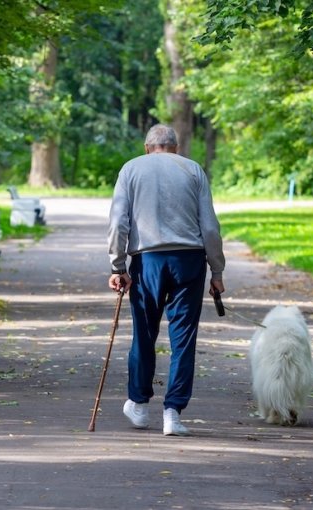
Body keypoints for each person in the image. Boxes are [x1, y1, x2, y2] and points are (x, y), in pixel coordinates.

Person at [107, 123, 226, 436]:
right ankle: (173, 414)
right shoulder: (193, 170)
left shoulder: (131, 169)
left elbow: (118, 222)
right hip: (189, 261)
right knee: (183, 340)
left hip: (148, 262)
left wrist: (118, 267)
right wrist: (217, 271)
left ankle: (139, 405)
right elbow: (210, 227)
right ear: (176, 146)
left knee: (144, 335)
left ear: (148, 148)